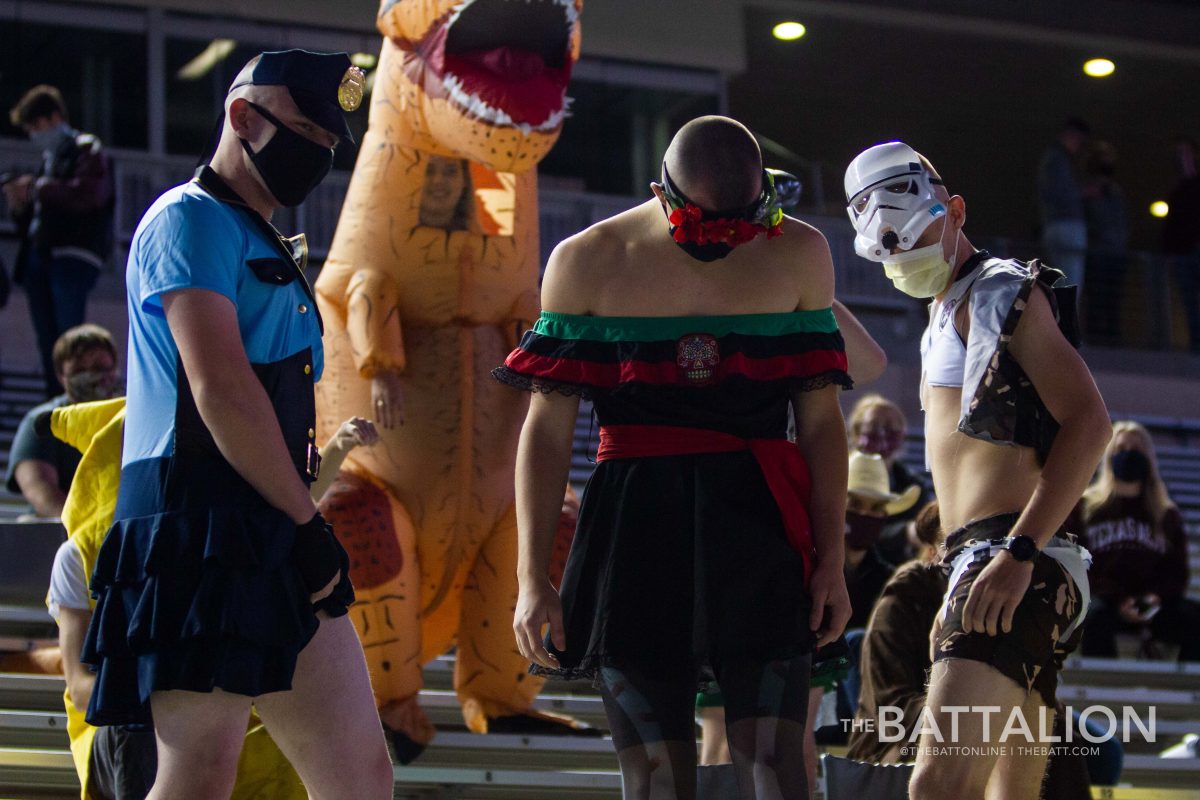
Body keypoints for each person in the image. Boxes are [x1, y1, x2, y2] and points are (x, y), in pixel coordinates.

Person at [501, 115, 853, 799]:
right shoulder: (587, 259)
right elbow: (545, 430)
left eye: (739, 226)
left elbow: (821, 423)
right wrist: (530, 576)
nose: (723, 243)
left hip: (759, 521)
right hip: (634, 526)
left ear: (763, 201)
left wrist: (832, 559)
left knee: (781, 768)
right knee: (657, 775)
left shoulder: (800, 252)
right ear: (662, 192)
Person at [78, 50, 393, 799]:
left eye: (329, 142)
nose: (318, 154)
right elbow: (219, 388)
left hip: (271, 523)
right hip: (194, 519)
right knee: (199, 773)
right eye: (305, 132)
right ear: (241, 117)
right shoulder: (187, 218)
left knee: (359, 777)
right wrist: (306, 523)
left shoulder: (258, 241)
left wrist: (301, 523)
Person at [845, 141, 1111, 800]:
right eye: (892, 255)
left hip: (1014, 555)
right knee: (1005, 793)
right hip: (984, 558)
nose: (904, 264)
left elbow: (1090, 423)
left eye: (913, 243)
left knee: (939, 786)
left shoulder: (1001, 291)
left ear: (955, 211)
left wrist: (1019, 552)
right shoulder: (948, 309)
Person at [43, 397, 308, 800]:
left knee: (268, 731)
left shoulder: (194, 543)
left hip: (190, 707)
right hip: (116, 726)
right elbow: (81, 688)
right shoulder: (77, 556)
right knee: (139, 728)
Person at [846, 502, 1111, 796]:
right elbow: (889, 704)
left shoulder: (1010, 588)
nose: (966, 558)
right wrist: (989, 712)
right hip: (898, 736)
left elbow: (1029, 681)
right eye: (959, 548)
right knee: (946, 774)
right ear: (934, 551)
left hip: (980, 717)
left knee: (1084, 744)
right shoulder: (908, 594)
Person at [4, 85, 114, 397]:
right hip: (42, 255)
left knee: (69, 336)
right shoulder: (48, 161)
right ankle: (54, 401)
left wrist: (38, 189)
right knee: (48, 340)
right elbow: (37, 222)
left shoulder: (86, 149)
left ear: (55, 117)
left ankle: (74, 400)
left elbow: (90, 194)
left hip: (73, 254)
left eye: (36, 126)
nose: (34, 134)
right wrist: (20, 205)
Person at [1075, 421, 1200, 661]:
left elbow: (1177, 572)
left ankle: (1184, 694)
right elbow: (1078, 562)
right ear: (1110, 457)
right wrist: (1118, 598)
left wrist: (1153, 598)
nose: (1129, 454)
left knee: (1194, 618)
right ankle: (1106, 691)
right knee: (1093, 617)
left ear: (1148, 458)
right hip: (1104, 602)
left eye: (1137, 449)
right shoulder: (1086, 508)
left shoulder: (1166, 514)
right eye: (1122, 449)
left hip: (1154, 604)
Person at [4, 323, 120, 518]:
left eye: (99, 368)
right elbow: (39, 490)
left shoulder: (128, 417)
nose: (90, 376)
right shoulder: (42, 423)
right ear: (60, 376)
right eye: (79, 370)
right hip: (63, 531)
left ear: (115, 368)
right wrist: (83, 531)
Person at [845, 394, 931, 565]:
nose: (883, 436)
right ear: (855, 433)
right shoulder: (836, 475)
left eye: (892, 429)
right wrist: (903, 533)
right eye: (874, 427)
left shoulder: (913, 485)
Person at [1081, 140, 1128, 344]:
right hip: (1097, 251)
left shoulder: (1115, 191)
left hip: (1115, 252)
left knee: (1113, 300)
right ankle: (1096, 336)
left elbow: (1121, 222)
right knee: (1097, 297)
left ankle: (1112, 336)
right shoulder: (1088, 190)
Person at [1037, 117, 1089, 291]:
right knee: (1071, 281)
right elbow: (1062, 193)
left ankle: (1059, 316)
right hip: (1066, 224)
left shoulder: (1052, 159)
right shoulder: (1059, 159)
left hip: (1053, 223)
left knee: (1062, 279)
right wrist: (1085, 192)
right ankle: (1065, 317)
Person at [1163, 137, 1200, 351]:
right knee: (1189, 301)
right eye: (1180, 156)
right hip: (1183, 253)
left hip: (1193, 250)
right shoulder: (1176, 194)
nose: (1183, 160)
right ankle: (1196, 344)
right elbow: (1171, 226)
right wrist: (1169, 252)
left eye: (1186, 154)